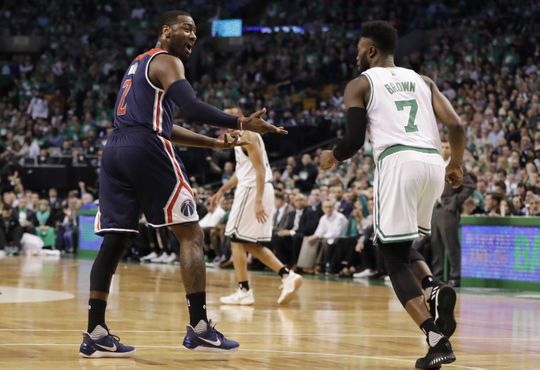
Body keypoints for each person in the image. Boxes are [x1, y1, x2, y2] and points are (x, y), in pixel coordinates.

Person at [80, 10, 286, 358]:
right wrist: (239, 120)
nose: (192, 36)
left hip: (115, 149)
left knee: (114, 240)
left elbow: (166, 124)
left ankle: (95, 331)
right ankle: (200, 326)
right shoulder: (167, 61)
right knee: (191, 233)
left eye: (196, 31)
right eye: (187, 29)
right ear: (166, 30)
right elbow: (189, 106)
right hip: (146, 148)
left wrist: (215, 142)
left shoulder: (137, 65)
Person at [319, 21, 464, 368]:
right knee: (401, 246)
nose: (355, 55)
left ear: (370, 50)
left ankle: (435, 338)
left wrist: (331, 157)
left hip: (397, 161)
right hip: (432, 162)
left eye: (358, 49)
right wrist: (455, 164)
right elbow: (457, 125)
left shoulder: (360, 84)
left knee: (392, 257)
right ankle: (433, 286)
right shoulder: (423, 80)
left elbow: (353, 141)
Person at [210, 107, 302, 306]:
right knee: (249, 243)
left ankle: (244, 290)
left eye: (233, 113)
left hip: (253, 191)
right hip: (254, 188)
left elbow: (259, 169)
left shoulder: (248, 135)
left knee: (235, 239)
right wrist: (222, 190)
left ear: (241, 116)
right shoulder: (239, 137)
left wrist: (259, 200)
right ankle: (287, 276)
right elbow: (243, 172)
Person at [430, 140, 475, 287]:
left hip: (447, 210)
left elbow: (469, 185)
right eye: (442, 146)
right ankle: (437, 277)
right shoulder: (435, 164)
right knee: (436, 245)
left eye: (447, 147)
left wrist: (454, 202)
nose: (444, 149)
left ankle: (455, 277)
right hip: (435, 209)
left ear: (452, 149)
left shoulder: (456, 166)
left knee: (451, 246)